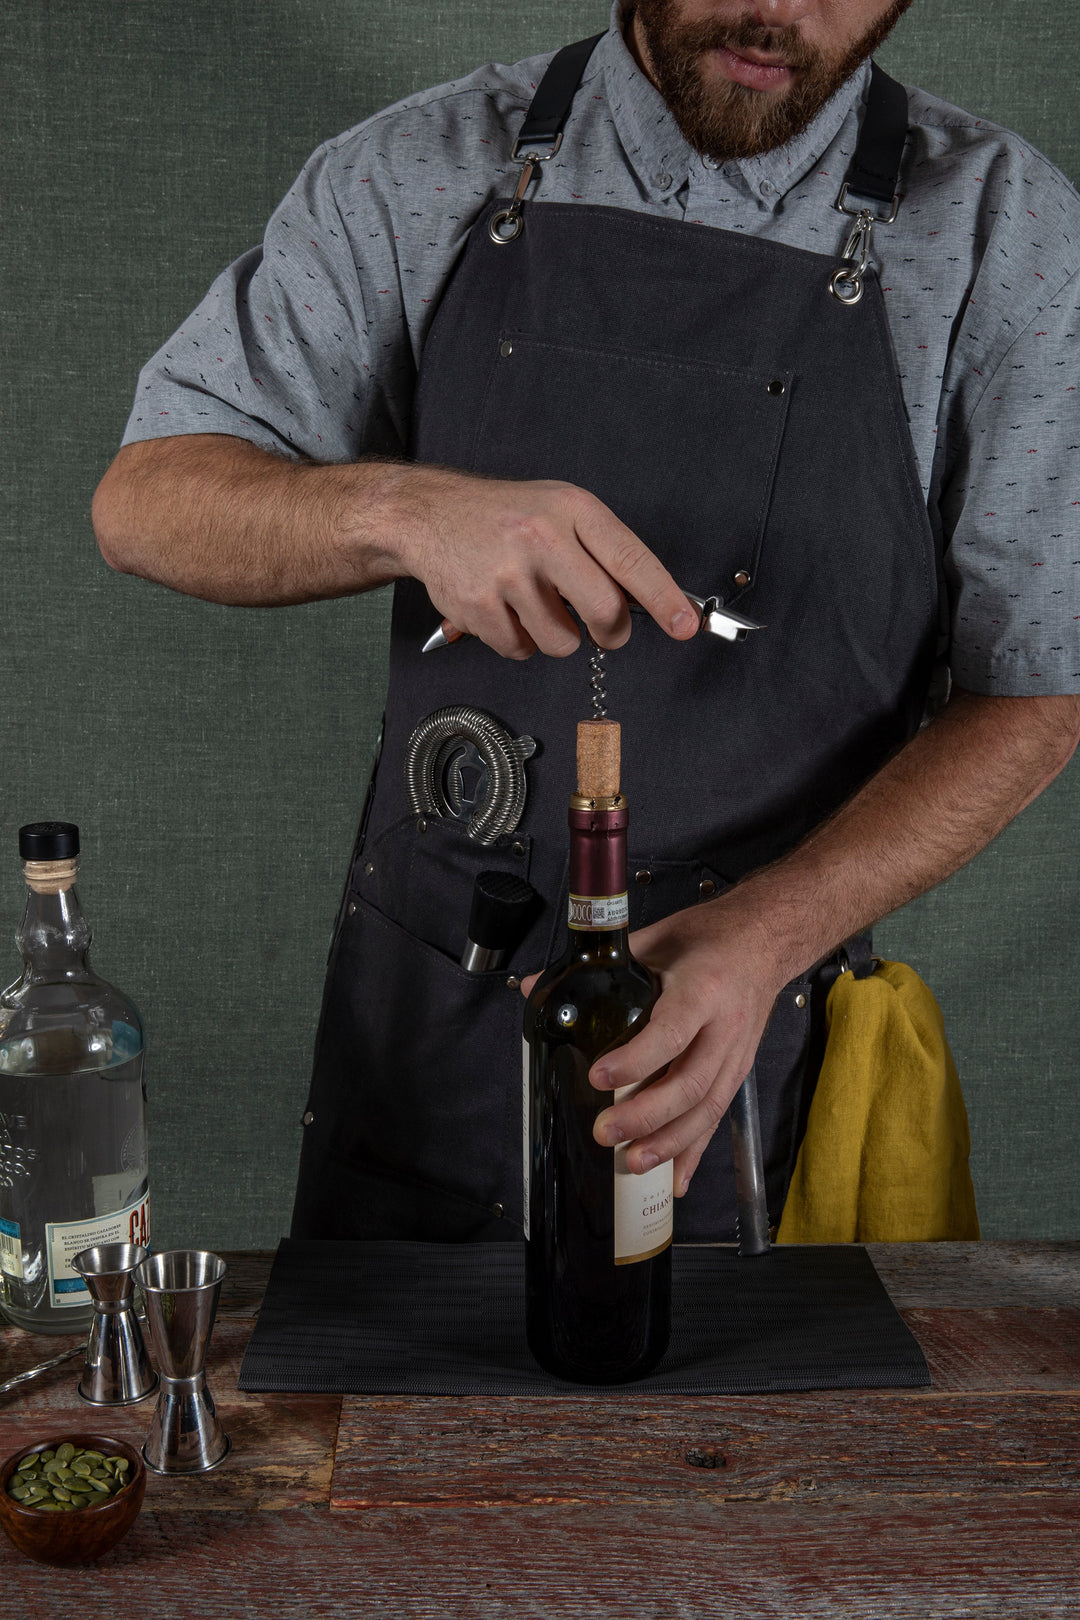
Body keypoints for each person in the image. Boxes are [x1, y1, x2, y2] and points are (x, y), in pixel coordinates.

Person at [93, 0, 1080, 1244]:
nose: (778, 8)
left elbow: (1042, 686)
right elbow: (145, 502)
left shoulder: (1002, 227)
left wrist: (767, 934)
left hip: (746, 1022)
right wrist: (404, 511)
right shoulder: (421, 169)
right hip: (429, 1011)